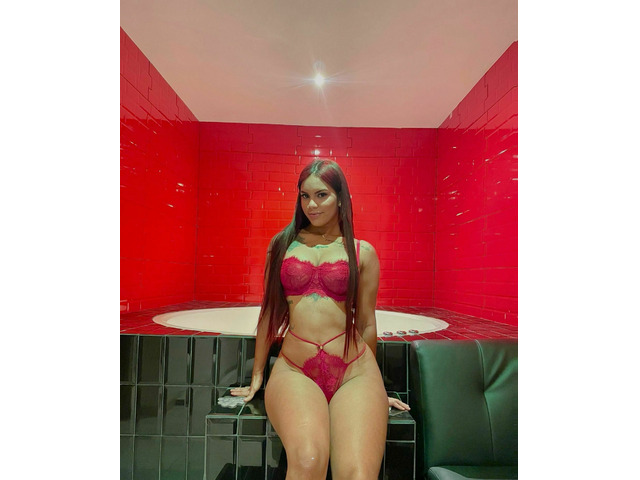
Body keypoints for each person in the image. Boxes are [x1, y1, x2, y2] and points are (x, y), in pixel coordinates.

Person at [231, 159, 410, 479]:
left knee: (357, 474)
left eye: (321, 195)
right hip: (296, 369)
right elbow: (269, 312)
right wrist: (257, 374)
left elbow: (366, 323)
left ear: (341, 198)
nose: (311, 204)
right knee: (308, 461)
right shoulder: (282, 245)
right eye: (305, 196)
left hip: (354, 371)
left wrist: (375, 387)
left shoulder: (363, 252)